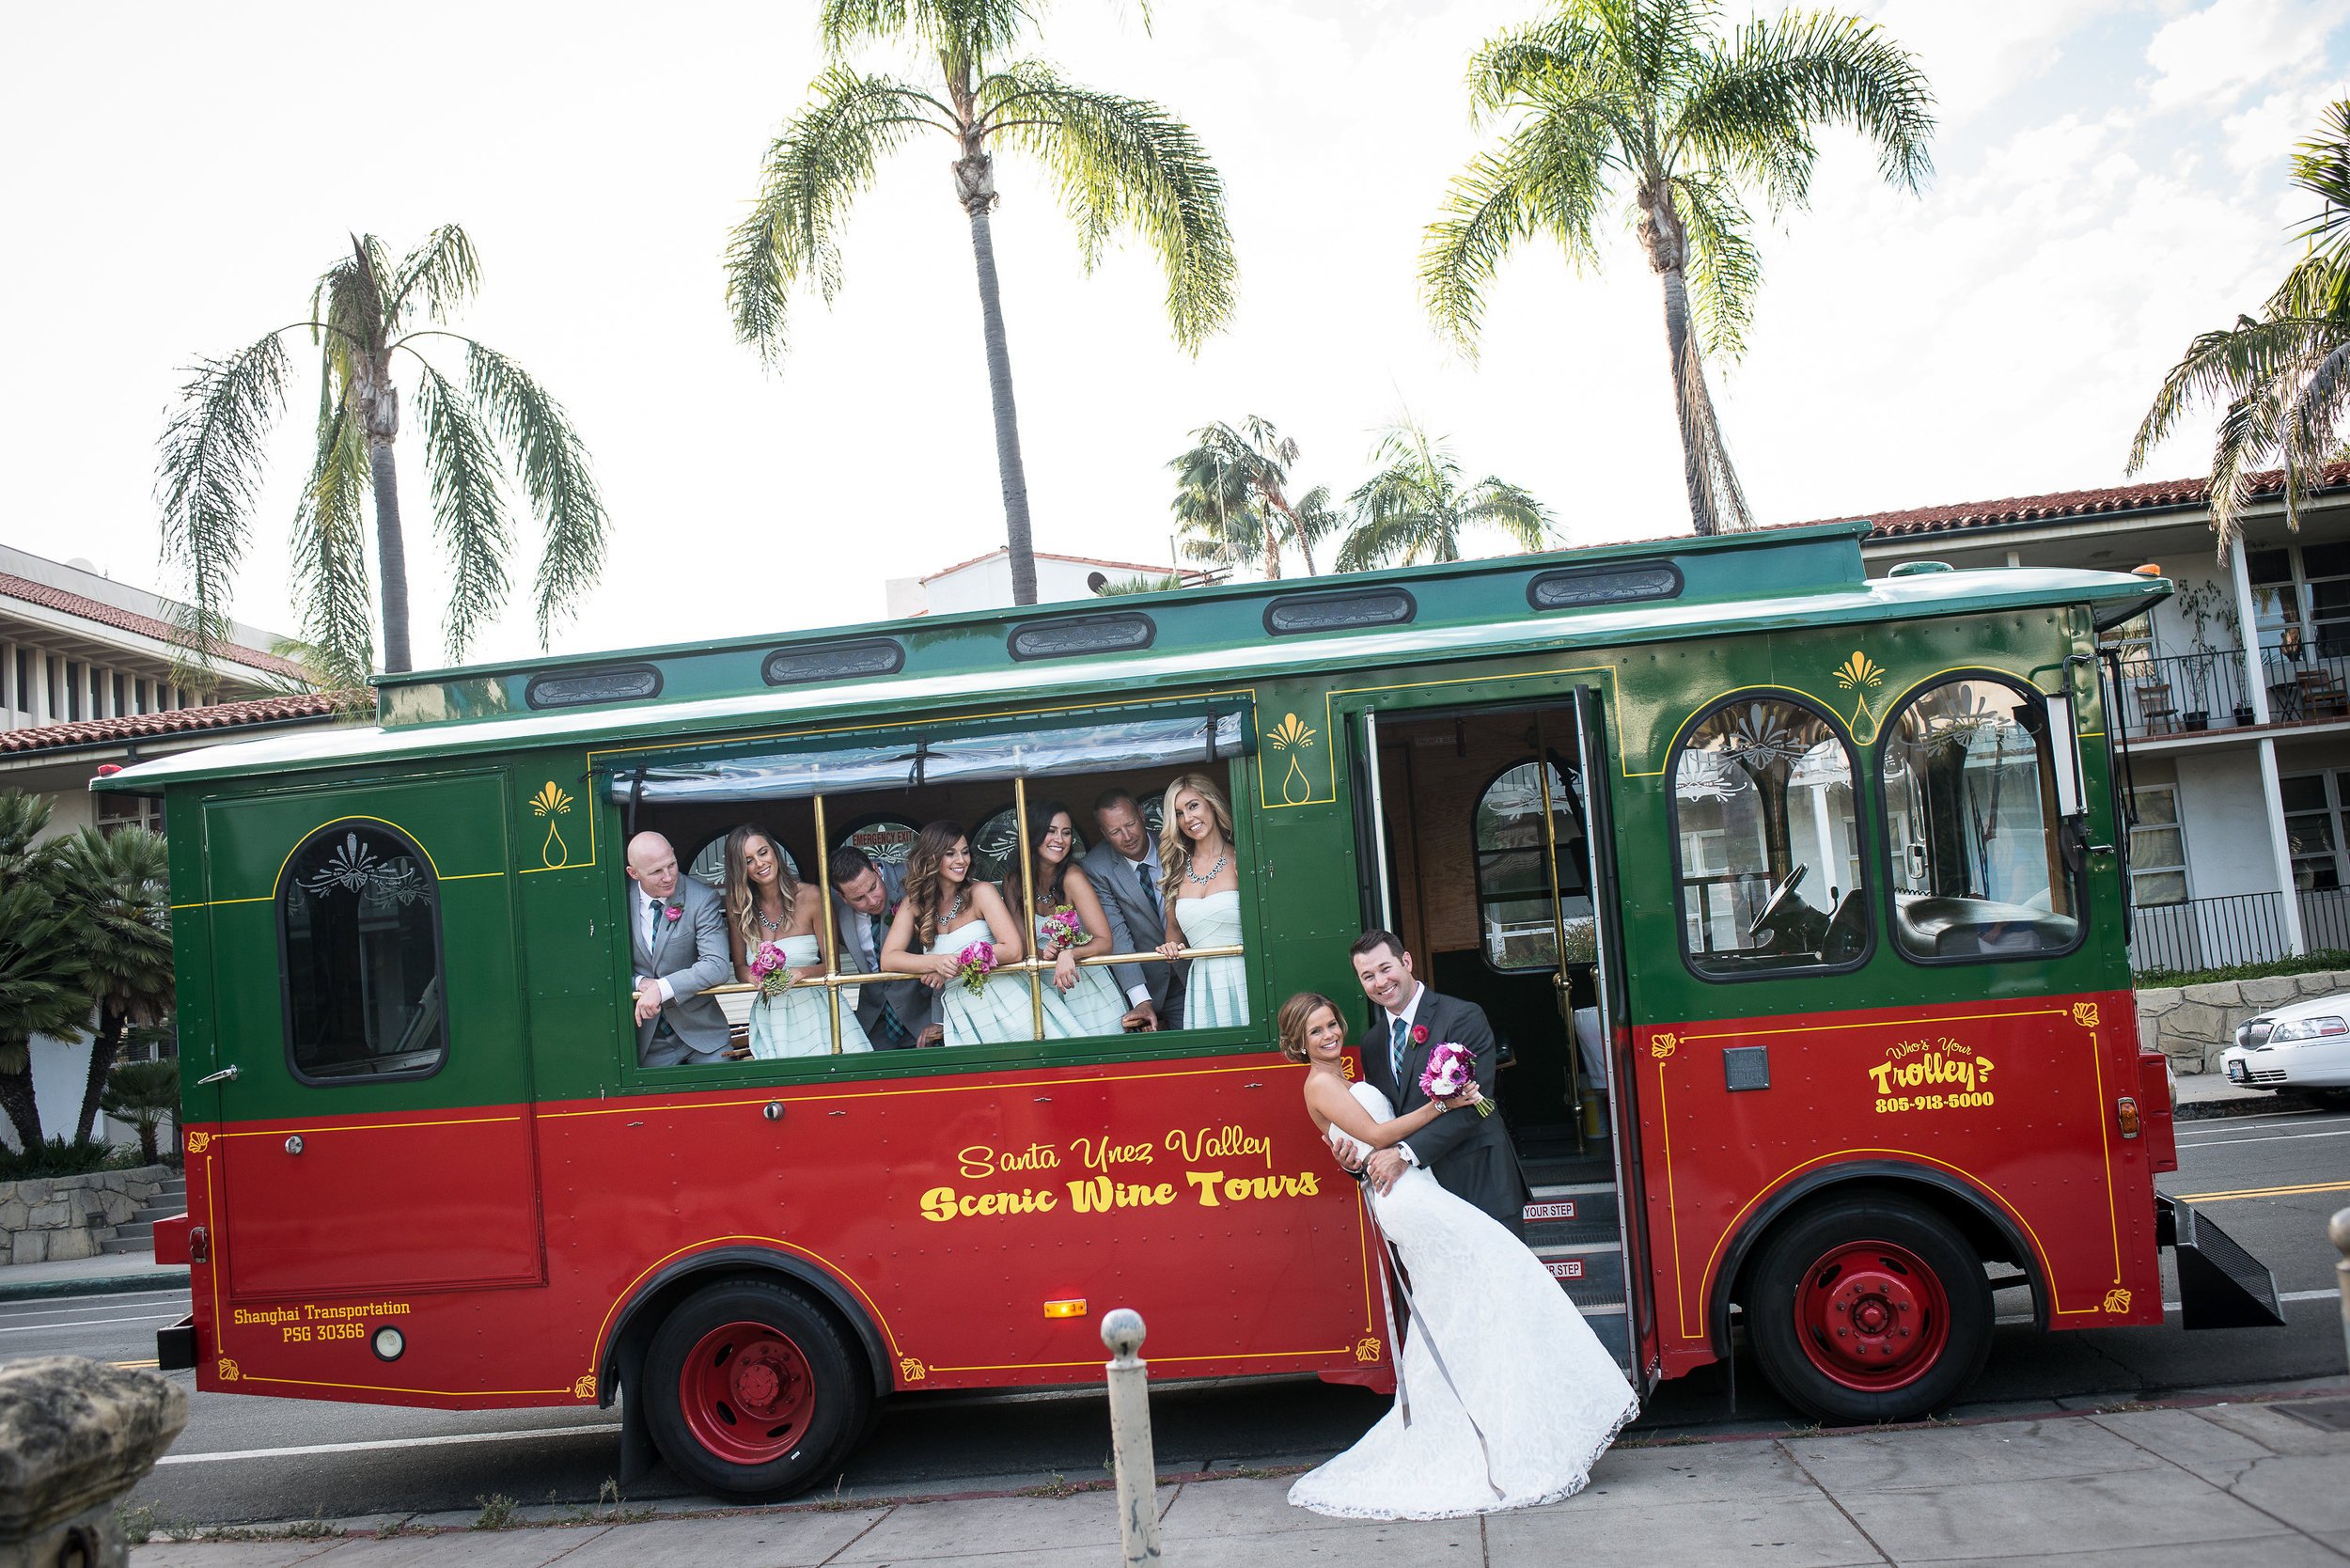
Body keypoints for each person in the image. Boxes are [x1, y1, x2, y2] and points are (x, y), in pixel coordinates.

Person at [1279, 992, 1637, 1519]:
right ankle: (1495, 1436)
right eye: (1316, 1032)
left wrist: (1360, 1158)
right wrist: (1443, 1103)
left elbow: (1359, 1154)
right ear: (1298, 1042)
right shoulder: (1320, 1084)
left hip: (1415, 1192)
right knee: (1508, 1272)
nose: (1329, 1035)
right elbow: (1378, 1135)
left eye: (1332, 1024)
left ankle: (1491, 1431)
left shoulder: (1339, 1076)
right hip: (1410, 1202)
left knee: (1463, 1312)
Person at [1348, 930, 1528, 1236]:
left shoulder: (1462, 1016)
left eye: (1385, 968)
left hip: (1480, 1183)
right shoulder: (1372, 1043)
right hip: (1421, 1198)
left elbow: (1477, 1106)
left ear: (1406, 961)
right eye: (1367, 976)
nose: (1380, 982)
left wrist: (1404, 1155)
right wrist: (1356, 1161)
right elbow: (1386, 1119)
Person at [723, 825, 872, 1058]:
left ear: (774, 851)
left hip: (818, 1012)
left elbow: (834, 967)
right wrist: (752, 977)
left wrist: (800, 973)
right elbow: (740, 966)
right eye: (748, 860)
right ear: (740, 868)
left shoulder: (812, 896)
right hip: (770, 1015)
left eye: (763, 853)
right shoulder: (738, 906)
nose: (760, 864)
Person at [881, 821, 1033, 1045]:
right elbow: (888, 958)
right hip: (959, 1013)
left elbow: (1013, 949)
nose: (961, 861)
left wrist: (953, 966)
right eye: (950, 854)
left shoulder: (982, 892)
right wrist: (936, 962)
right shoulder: (915, 903)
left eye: (964, 852)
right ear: (932, 858)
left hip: (1006, 1001)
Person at [1018, 803, 1133, 1039]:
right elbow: (1019, 944)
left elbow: (1104, 942)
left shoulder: (1073, 877)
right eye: (1051, 831)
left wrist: (1069, 954)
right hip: (1043, 991)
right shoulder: (1014, 882)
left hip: (1085, 986)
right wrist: (1042, 954)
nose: (1060, 839)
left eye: (1066, 832)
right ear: (1034, 833)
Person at [624, 831, 734, 1067]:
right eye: (656, 872)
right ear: (634, 873)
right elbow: (601, 968)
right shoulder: (618, 900)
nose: (668, 877)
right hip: (646, 1043)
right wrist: (639, 983)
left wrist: (661, 989)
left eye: (671, 865)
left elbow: (717, 965)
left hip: (705, 1038)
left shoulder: (702, 899)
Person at [1153, 773, 1248, 1028]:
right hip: (1202, 982)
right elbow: (1173, 935)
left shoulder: (1244, 858)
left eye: (1193, 806)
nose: (1188, 819)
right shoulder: (1174, 871)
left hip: (1246, 978)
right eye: (1179, 813)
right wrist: (1170, 948)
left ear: (1212, 803)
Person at [1083, 789, 1179, 1030]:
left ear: (1141, 815)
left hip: (1189, 975)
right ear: (1104, 834)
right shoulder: (1096, 867)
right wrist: (1141, 1001)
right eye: (1115, 831)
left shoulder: (1175, 845)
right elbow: (1117, 934)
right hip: (1141, 984)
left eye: (1130, 824)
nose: (1127, 836)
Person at [829, 845, 944, 1048]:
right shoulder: (833, 907)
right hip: (873, 1022)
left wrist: (939, 1018)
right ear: (842, 897)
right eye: (858, 898)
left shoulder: (910, 880)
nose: (872, 901)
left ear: (875, 868)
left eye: (873, 887)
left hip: (923, 1013)